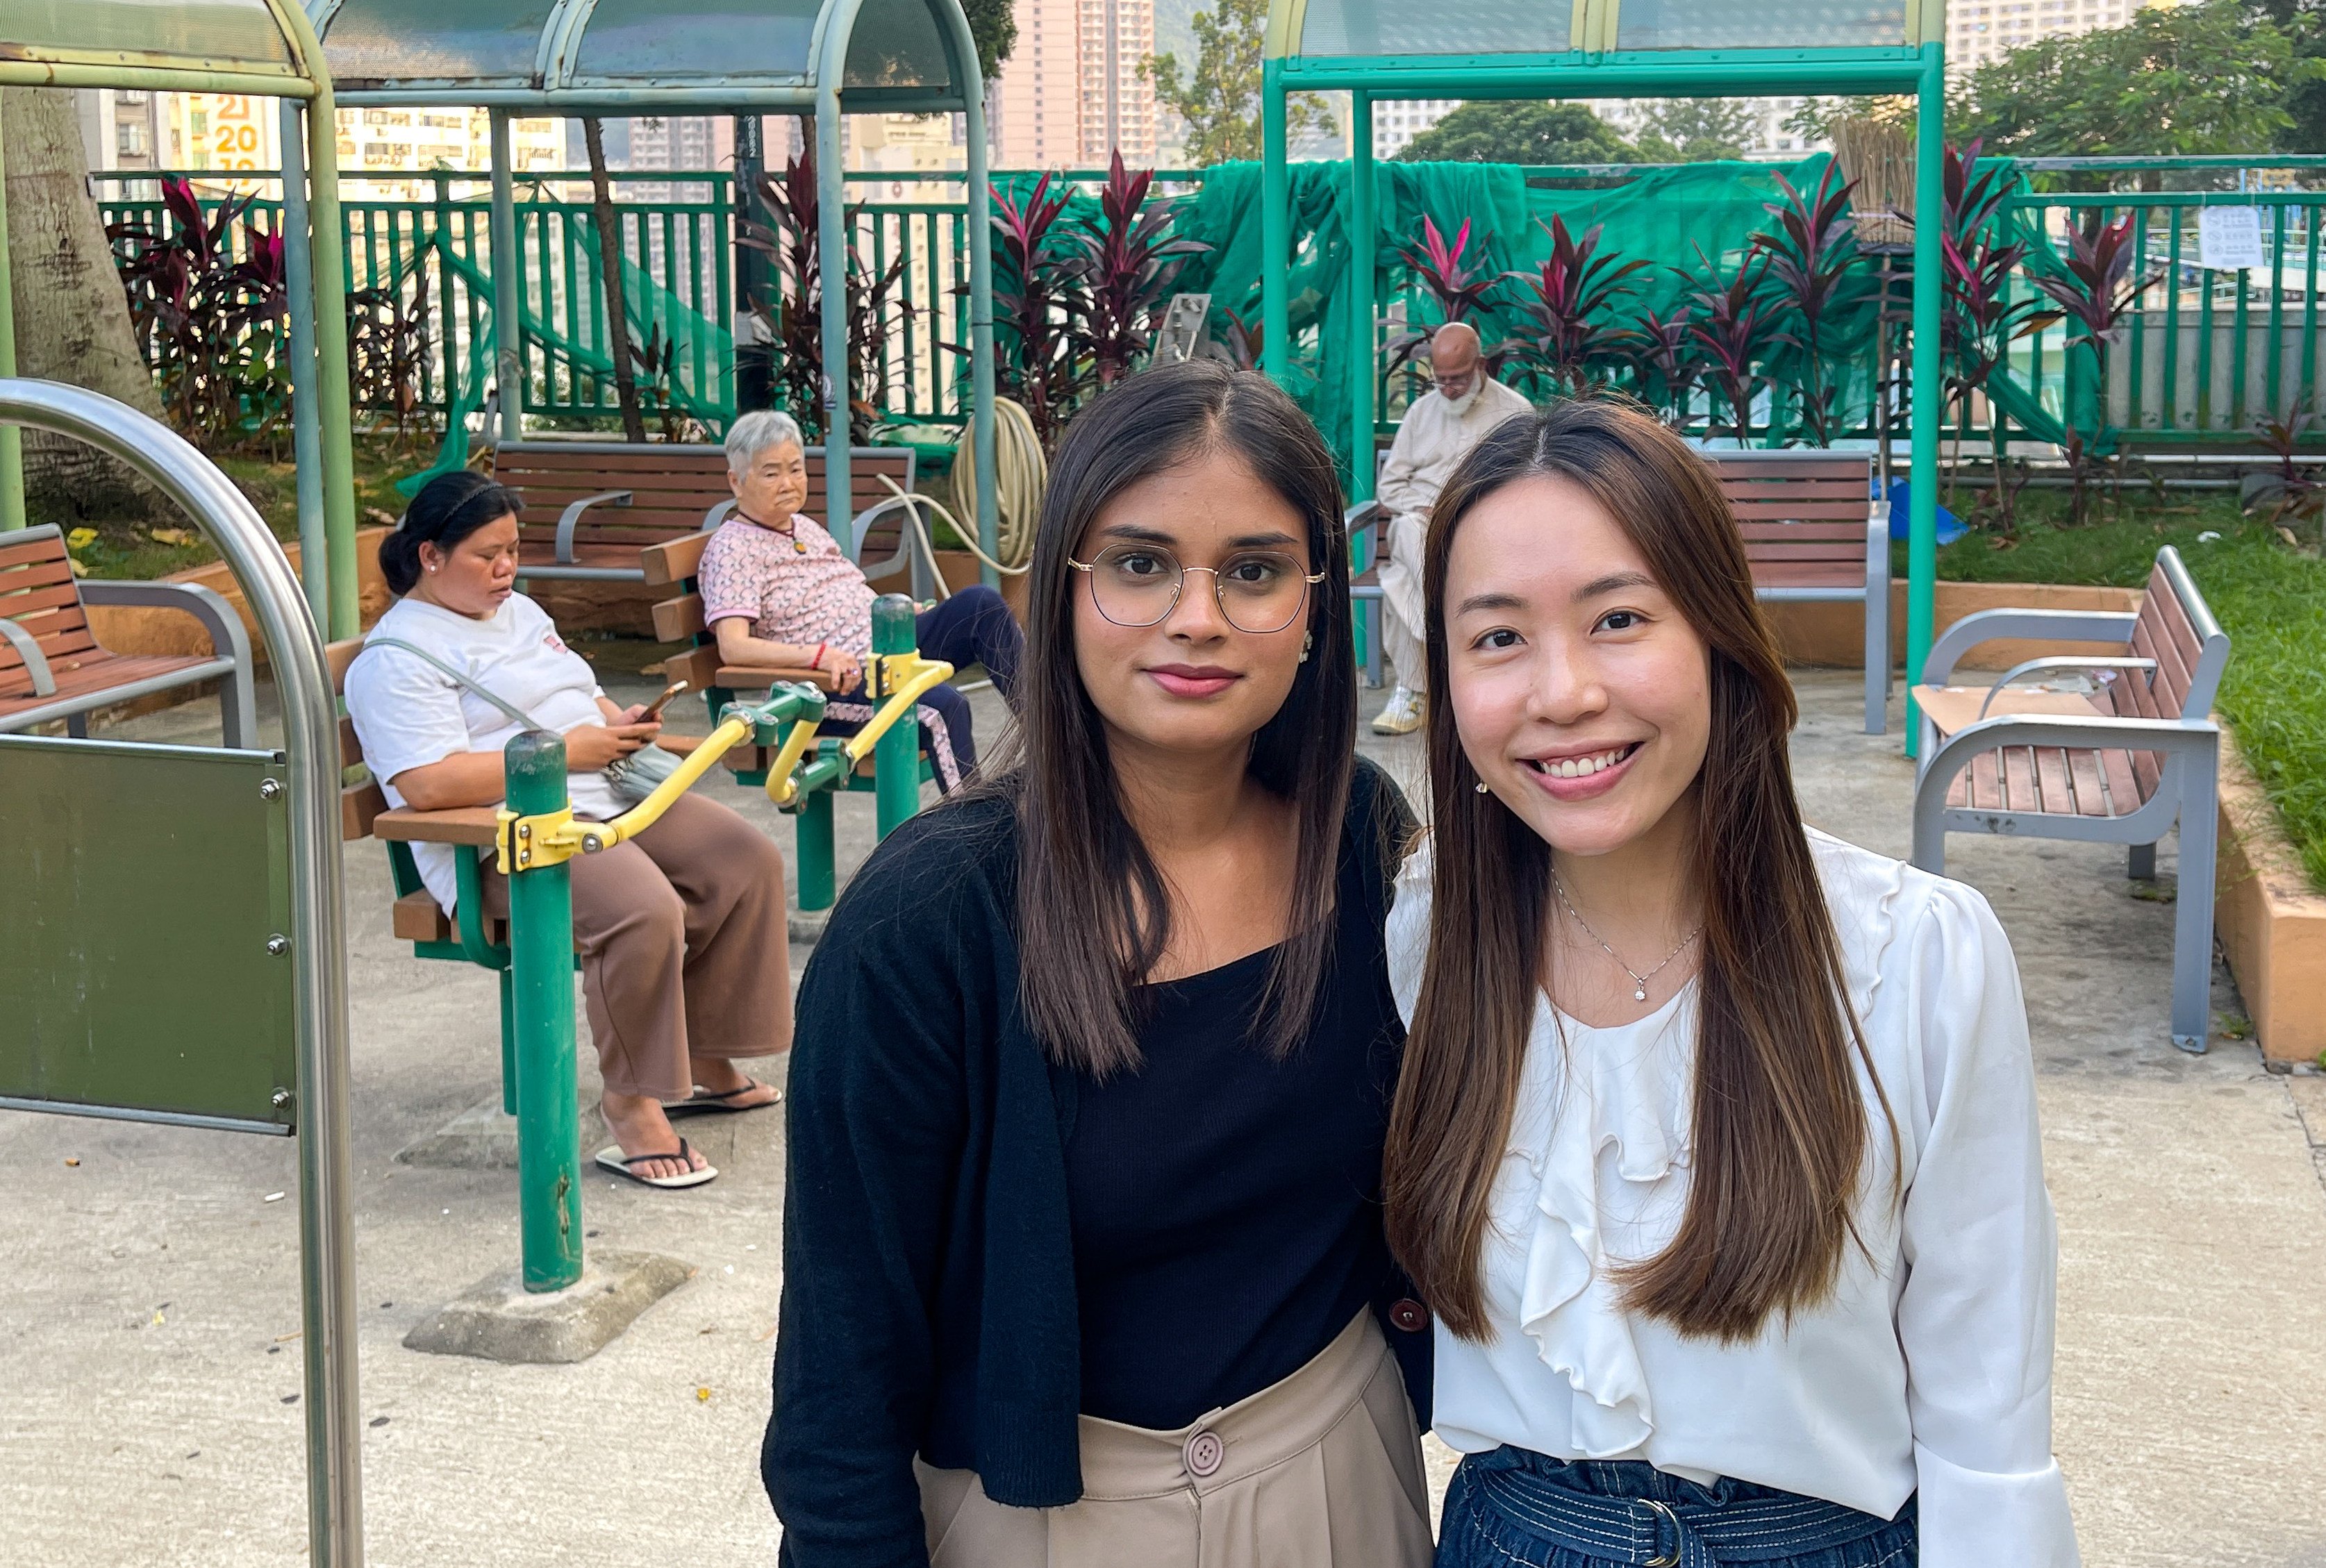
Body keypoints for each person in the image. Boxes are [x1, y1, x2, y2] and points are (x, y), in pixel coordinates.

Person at [1384, 401, 2078, 1568]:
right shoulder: (1416, 940)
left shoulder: (1915, 958)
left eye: (1616, 618)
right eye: (1495, 638)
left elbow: (1985, 1424)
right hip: (1509, 1537)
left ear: (1715, 634)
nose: (1560, 693)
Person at [764, 360, 1435, 1568]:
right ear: (1056, 590)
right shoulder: (930, 919)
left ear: (1314, 603)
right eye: (1137, 564)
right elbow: (839, 1367)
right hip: (1037, 1520)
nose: (1197, 615)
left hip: (1341, 1472)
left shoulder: (1360, 836)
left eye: (1252, 569)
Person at [347, 472, 793, 1192]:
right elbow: (426, 784)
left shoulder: (517, 611)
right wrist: (566, 751)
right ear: (429, 555)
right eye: (486, 554)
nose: (506, 569)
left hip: (599, 793)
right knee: (645, 909)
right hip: (501, 840)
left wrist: (613, 723)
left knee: (743, 858)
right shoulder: (397, 658)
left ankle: (703, 1056)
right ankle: (632, 1099)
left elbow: (576, 692)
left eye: (513, 549)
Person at [699, 410, 1024, 788]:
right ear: (736, 482)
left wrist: (897, 615)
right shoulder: (732, 549)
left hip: (881, 653)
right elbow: (734, 647)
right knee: (941, 706)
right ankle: (974, 831)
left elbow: (845, 592)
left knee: (981, 606)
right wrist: (817, 656)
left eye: (796, 469)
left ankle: (1060, 742)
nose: (788, 483)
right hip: (830, 685)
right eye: (771, 473)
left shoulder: (804, 527)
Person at [1370, 320, 1531, 737]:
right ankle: (1441, 624)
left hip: (1485, 530)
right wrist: (1422, 505)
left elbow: (1530, 487)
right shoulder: (1421, 412)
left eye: (1457, 379)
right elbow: (1390, 486)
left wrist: (1474, 510)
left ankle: (1413, 690)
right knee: (1408, 531)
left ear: (1481, 365)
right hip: (1422, 524)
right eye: (1440, 380)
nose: (1449, 389)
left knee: (1399, 583)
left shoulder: (1514, 412)